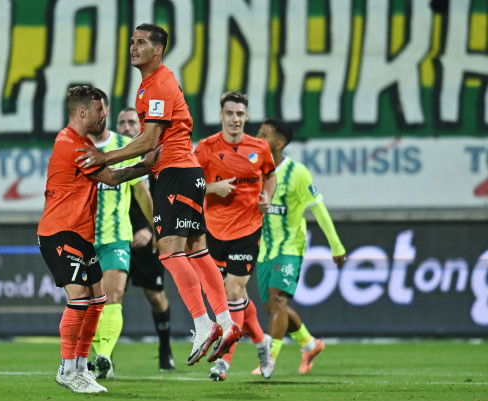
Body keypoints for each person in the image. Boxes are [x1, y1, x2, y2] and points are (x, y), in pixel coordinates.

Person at [76, 23, 242, 366]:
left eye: (141, 43)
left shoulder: (158, 85)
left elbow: (150, 141)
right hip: (185, 172)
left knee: (169, 252)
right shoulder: (151, 85)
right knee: (197, 251)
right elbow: (152, 148)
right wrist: (121, 170)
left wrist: (106, 157)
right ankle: (226, 323)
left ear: (158, 50)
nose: (133, 47)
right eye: (132, 42)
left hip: (176, 174)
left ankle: (203, 323)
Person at [37, 85, 159, 394]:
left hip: (80, 234)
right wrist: (147, 163)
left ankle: (82, 367)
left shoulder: (82, 143)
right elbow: (113, 177)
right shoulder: (70, 144)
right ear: (82, 112)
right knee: (80, 298)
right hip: (59, 233)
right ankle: (67, 369)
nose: (104, 114)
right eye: (98, 110)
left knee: (98, 300)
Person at [253, 118, 347, 375]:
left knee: (277, 299)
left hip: (290, 247)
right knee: (273, 308)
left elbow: (318, 209)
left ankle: (268, 360)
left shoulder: (297, 173)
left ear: (279, 144)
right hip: (264, 248)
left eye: (264, 135)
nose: (258, 138)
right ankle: (310, 344)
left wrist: (336, 246)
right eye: (258, 133)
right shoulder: (253, 167)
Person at [194, 91, 276, 381]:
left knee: (231, 292)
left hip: (248, 230)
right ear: (221, 115)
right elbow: (188, 182)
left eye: (240, 114)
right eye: (230, 113)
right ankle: (262, 343)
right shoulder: (206, 148)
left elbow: (270, 175)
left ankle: (223, 361)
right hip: (214, 231)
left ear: (247, 116)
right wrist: (212, 189)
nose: (235, 119)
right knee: (236, 296)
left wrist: (267, 196)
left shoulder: (260, 147)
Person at [86, 93, 155, 379]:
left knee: (113, 297)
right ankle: (101, 357)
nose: (97, 115)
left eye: (100, 109)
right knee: (90, 305)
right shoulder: (73, 147)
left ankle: (103, 356)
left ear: (107, 111)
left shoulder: (124, 147)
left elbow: (141, 192)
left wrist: (155, 229)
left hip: (116, 238)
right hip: (83, 240)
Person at [118, 106, 175, 371]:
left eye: (132, 122)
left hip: (147, 239)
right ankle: (105, 356)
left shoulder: (155, 158)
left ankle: (165, 350)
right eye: (122, 122)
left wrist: (152, 230)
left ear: (141, 127)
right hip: (115, 238)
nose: (126, 127)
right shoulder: (111, 157)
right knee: (109, 298)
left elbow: (165, 198)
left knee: (156, 297)